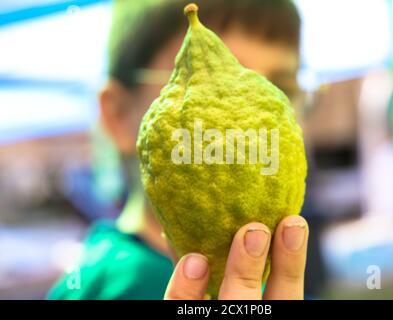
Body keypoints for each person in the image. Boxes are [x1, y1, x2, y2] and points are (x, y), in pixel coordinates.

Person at [48, 0, 308, 300]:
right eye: (220, 88)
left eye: (284, 87)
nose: (265, 114)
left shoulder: (274, 278)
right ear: (118, 114)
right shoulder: (107, 287)